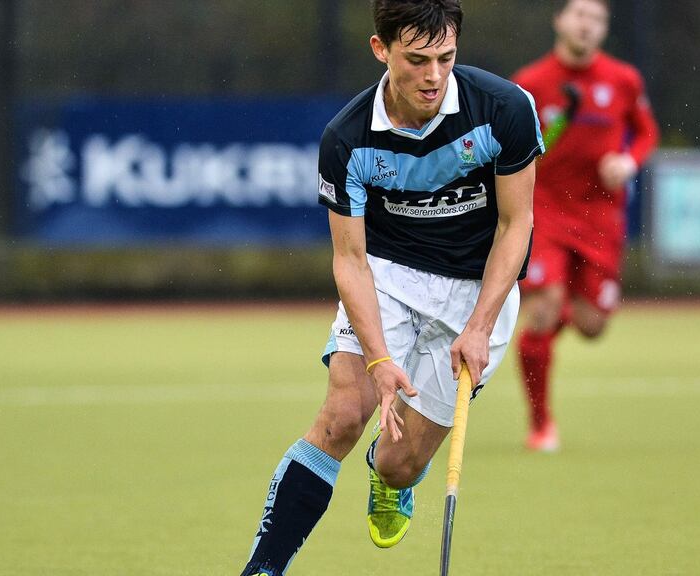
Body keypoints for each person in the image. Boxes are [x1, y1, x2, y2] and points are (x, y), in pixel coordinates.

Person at [237, 1, 543, 574]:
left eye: (446, 58)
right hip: (387, 277)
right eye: (417, 59)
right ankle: (262, 569)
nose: (433, 77)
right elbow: (351, 261)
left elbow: (515, 224)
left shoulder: (503, 109)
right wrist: (377, 359)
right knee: (342, 415)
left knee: (400, 463)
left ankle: (389, 475)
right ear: (381, 49)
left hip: (475, 290)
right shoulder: (346, 139)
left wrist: (478, 326)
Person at [511, 0, 658, 451]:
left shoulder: (624, 80)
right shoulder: (529, 84)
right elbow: (514, 151)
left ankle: (541, 332)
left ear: (604, 29)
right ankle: (542, 425)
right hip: (547, 212)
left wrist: (628, 161)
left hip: (600, 218)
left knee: (594, 325)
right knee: (547, 302)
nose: (587, 25)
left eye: (597, 19)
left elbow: (646, 132)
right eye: (579, 15)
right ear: (559, 20)